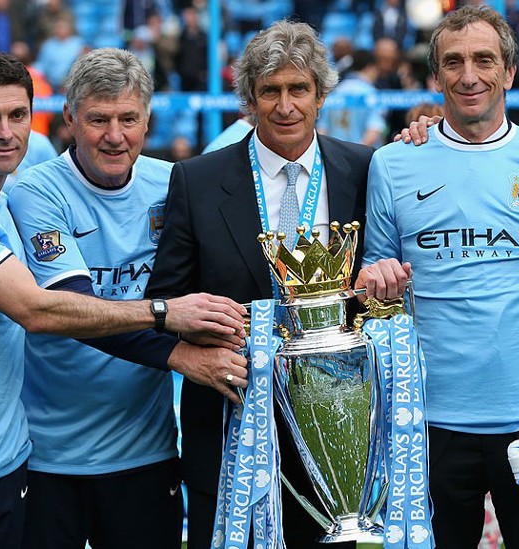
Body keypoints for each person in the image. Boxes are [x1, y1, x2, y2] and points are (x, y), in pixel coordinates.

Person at [0, 50, 244, 548]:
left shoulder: (6, 200)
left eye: (17, 115)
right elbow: (39, 309)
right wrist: (168, 319)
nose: (5, 132)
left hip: (6, 460)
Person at [362, 6, 519, 548]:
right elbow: (373, 299)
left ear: (509, 71)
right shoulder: (393, 164)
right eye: (453, 62)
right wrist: (371, 282)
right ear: (436, 75)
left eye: (484, 60)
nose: (468, 75)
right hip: (428, 428)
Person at [145, 20, 378, 549]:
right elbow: (163, 304)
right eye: (269, 91)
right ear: (249, 100)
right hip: (230, 423)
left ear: (321, 95)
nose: (285, 105)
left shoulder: (367, 170)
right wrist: (198, 349)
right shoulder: (197, 180)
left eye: (299, 89)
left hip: (337, 430)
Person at [6, 47, 247, 549]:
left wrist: (417, 138)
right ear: (70, 118)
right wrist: (179, 347)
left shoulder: (173, 182)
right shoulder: (36, 191)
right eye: (98, 119)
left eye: (128, 119)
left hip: (148, 452)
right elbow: (73, 309)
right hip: (48, 455)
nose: (115, 136)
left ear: (148, 118)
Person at [319, 49, 388, 148]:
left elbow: (322, 130)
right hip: (360, 158)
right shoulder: (372, 95)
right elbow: (373, 132)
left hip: (333, 155)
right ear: (371, 67)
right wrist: (355, 156)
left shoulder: (334, 92)